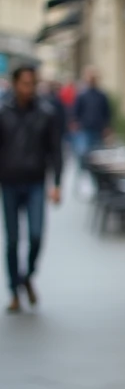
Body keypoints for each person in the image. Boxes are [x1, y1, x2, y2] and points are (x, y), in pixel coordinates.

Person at [0, 66, 63, 313]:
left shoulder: (45, 113)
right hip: (9, 183)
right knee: (13, 239)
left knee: (36, 235)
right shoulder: (3, 113)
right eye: (24, 83)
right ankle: (14, 289)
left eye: (31, 83)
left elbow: (55, 150)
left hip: (36, 182)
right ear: (15, 84)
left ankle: (28, 275)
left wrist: (56, 184)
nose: (28, 88)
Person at [72, 66, 111, 159]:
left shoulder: (102, 95)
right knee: (84, 153)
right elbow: (76, 111)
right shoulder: (82, 95)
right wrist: (75, 123)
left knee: (97, 154)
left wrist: (107, 127)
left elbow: (107, 112)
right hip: (85, 128)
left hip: (98, 128)